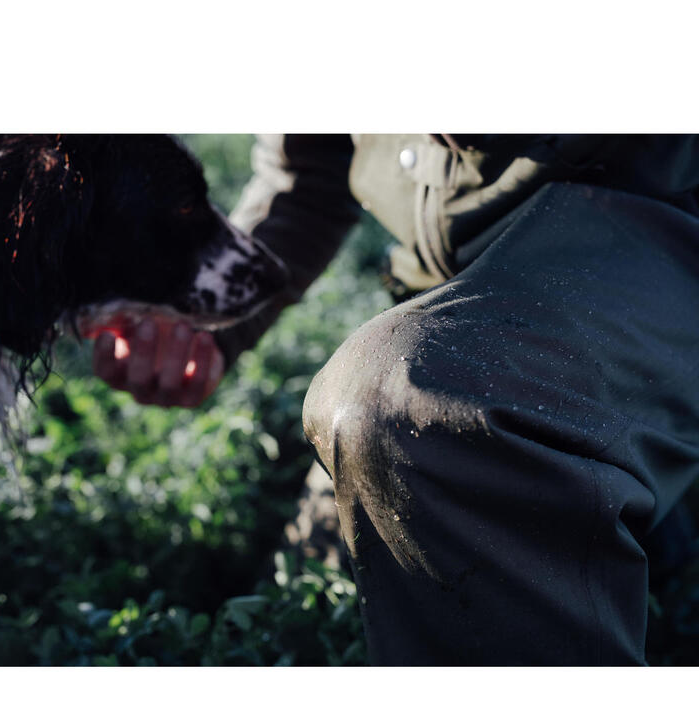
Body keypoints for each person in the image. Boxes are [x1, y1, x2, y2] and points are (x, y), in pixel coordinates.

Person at [93, 134, 699, 665]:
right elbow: (306, 170)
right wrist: (210, 316)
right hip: (462, 294)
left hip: (660, 234)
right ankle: (635, 513)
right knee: (301, 609)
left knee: (414, 410)